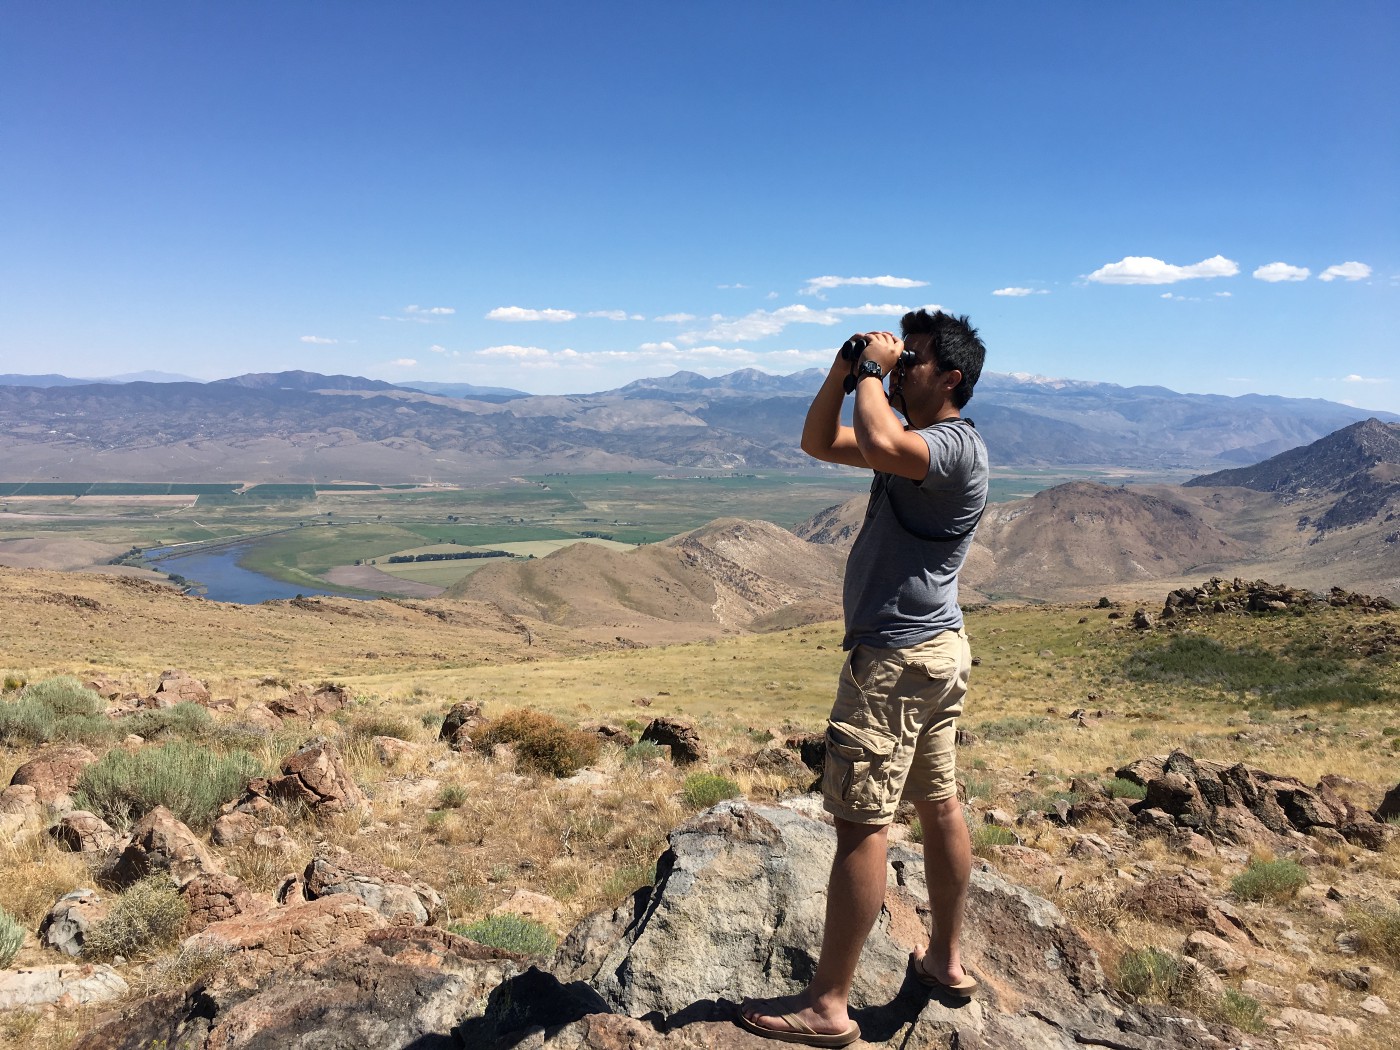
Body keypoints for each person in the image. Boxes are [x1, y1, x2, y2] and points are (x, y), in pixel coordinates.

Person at [738, 309, 988, 1048]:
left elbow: (877, 439)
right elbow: (820, 442)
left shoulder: (951, 448)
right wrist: (845, 371)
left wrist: (874, 373)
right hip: (929, 654)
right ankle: (944, 960)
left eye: (916, 359)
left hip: (896, 664)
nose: (902, 367)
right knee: (938, 803)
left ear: (952, 377)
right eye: (900, 358)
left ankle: (828, 1006)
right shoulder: (916, 449)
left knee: (861, 823)